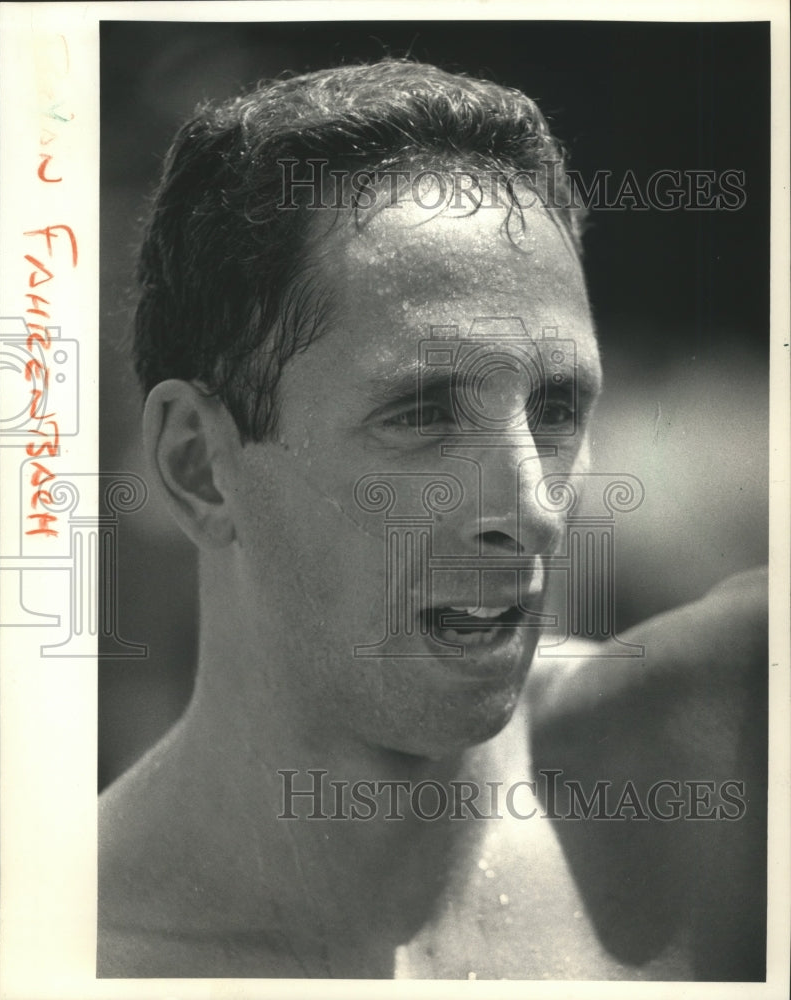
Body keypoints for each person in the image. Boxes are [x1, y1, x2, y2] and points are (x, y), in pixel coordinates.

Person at [98, 59, 767, 980]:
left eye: (558, 407)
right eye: (423, 415)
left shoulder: (729, 755)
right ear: (197, 466)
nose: (532, 508)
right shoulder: (73, 960)